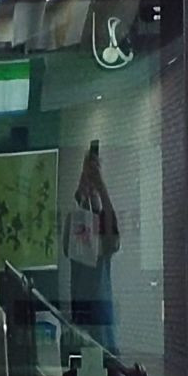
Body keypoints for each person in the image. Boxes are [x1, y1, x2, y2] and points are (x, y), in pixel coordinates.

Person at [66, 140, 120, 348]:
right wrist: (85, 187)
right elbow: (69, 243)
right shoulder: (76, 224)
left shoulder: (102, 230)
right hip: (83, 313)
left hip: (99, 316)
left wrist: (100, 185)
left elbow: (112, 238)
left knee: (104, 359)